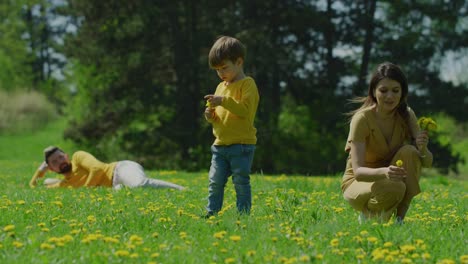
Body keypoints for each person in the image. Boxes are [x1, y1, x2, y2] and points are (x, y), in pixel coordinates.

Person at [341, 62, 433, 224]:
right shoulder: (361, 119)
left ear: (402, 92)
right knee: (395, 187)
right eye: (383, 90)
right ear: (374, 92)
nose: (390, 96)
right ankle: (369, 214)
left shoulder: (407, 114)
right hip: (359, 183)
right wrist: (385, 172)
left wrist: (423, 148)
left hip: (391, 179)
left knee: (410, 152)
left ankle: (399, 220)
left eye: (395, 91)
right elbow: (358, 172)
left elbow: (427, 162)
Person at [203, 36, 260, 217]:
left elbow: (244, 110)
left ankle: (243, 215)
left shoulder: (247, 84)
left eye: (224, 68)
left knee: (240, 182)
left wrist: (223, 101)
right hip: (220, 144)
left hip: (241, 145)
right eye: (217, 70)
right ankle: (212, 213)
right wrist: (210, 116)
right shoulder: (221, 86)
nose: (220, 73)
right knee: (215, 182)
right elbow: (217, 116)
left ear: (239, 62)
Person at [29, 146, 185, 190]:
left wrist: (86, 190)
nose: (60, 161)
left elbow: (96, 169)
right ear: (51, 169)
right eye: (54, 162)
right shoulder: (64, 184)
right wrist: (39, 171)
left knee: (139, 184)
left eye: (60, 157)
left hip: (120, 169)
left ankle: (181, 190)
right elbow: (35, 186)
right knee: (122, 195)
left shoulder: (78, 157)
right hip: (115, 186)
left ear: (67, 156)